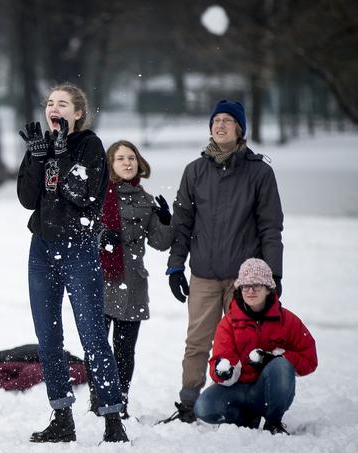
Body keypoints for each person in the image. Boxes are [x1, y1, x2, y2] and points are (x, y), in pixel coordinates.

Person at [17, 83, 128, 443]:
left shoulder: (90, 145)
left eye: (62, 103)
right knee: (47, 336)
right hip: (42, 248)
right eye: (50, 102)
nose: (54, 107)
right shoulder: (42, 143)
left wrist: (63, 157)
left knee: (93, 335)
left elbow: (84, 196)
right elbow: (25, 198)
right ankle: (61, 417)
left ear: (78, 113)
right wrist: (37, 157)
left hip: (78, 248)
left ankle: (113, 419)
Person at [161, 99, 284, 423]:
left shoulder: (259, 173)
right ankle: (189, 404)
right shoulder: (195, 171)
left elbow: (271, 228)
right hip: (203, 274)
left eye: (229, 120)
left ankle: (249, 404)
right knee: (197, 342)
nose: (221, 125)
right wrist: (176, 265)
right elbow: (182, 223)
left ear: (240, 129)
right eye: (217, 120)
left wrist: (272, 274)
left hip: (246, 282)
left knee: (247, 342)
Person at [92, 140, 173, 419]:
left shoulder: (145, 200)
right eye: (120, 159)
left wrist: (165, 220)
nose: (127, 163)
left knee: (125, 351)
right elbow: (80, 232)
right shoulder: (97, 194)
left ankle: (121, 403)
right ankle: (98, 402)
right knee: (98, 346)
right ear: (110, 165)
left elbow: (161, 243)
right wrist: (102, 237)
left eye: (131, 158)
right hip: (100, 282)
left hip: (133, 284)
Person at [194, 258, 317, 434]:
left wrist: (274, 359)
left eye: (257, 285)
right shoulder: (228, 322)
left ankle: (273, 421)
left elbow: (309, 359)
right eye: (245, 286)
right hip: (238, 389)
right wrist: (223, 371)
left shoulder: (288, 321)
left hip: (267, 392)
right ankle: (244, 419)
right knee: (204, 407)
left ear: (268, 289)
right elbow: (219, 360)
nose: (250, 290)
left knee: (281, 366)